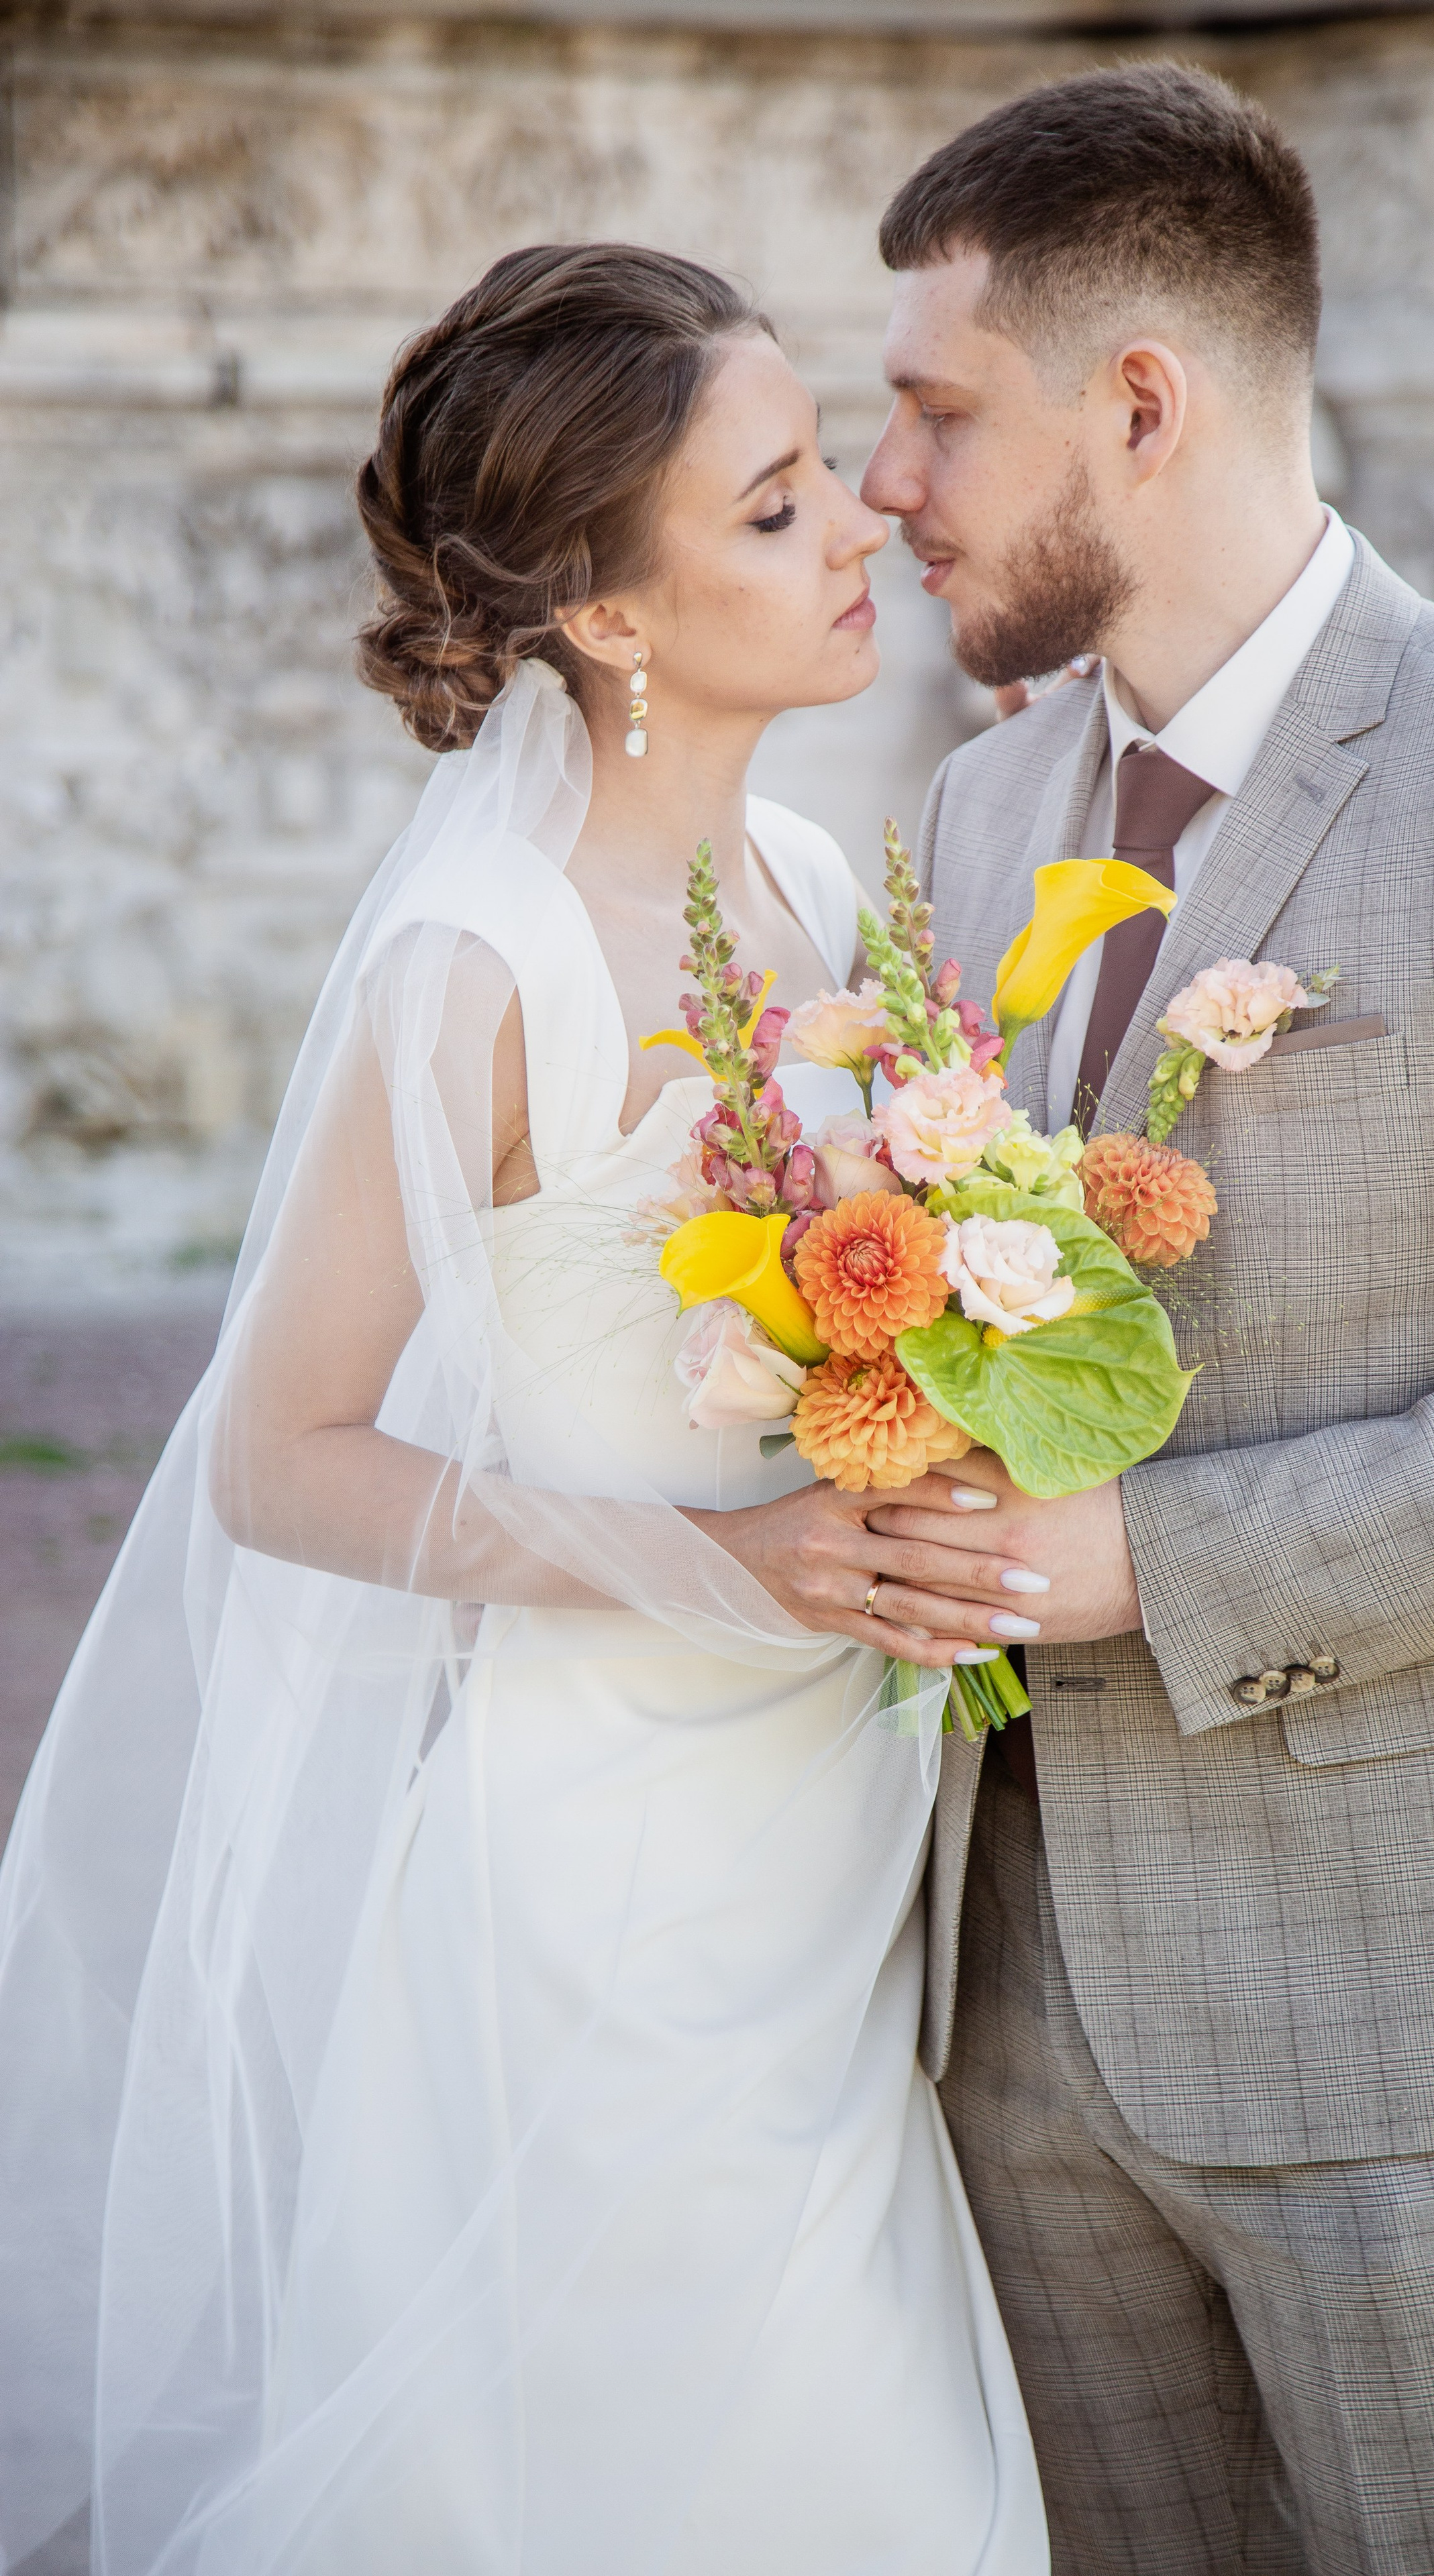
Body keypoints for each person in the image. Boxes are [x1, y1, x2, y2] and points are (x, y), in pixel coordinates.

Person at [0, 244, 1049, 2575]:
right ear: (610, 613)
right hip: (614, 1889)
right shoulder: (478, 963)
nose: (862, 521)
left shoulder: (803, 882)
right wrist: (735, 1562)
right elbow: (285, 1462)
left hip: (841, 1853)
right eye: (775, 505)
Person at [851, 61, 1434, 2576]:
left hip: (1419, 2020)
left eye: (933, 412)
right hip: (1010, 2017)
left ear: (1142, 403)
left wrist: (1166, 1563)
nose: (888, 481)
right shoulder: (971, 817)